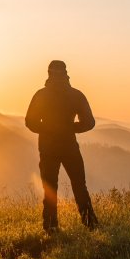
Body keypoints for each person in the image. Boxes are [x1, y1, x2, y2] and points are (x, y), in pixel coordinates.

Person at [25, 60, 97, 232]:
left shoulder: (41, 95)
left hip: (48, 147)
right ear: (66, 73)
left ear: (48, 73)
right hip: (69, 146)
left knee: (50, 188)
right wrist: (70, 128)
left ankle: (51, 227)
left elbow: (30, 122)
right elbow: (89, 123)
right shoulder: (76, 95)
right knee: (79, 185)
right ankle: (91, 224)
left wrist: (48, 129)